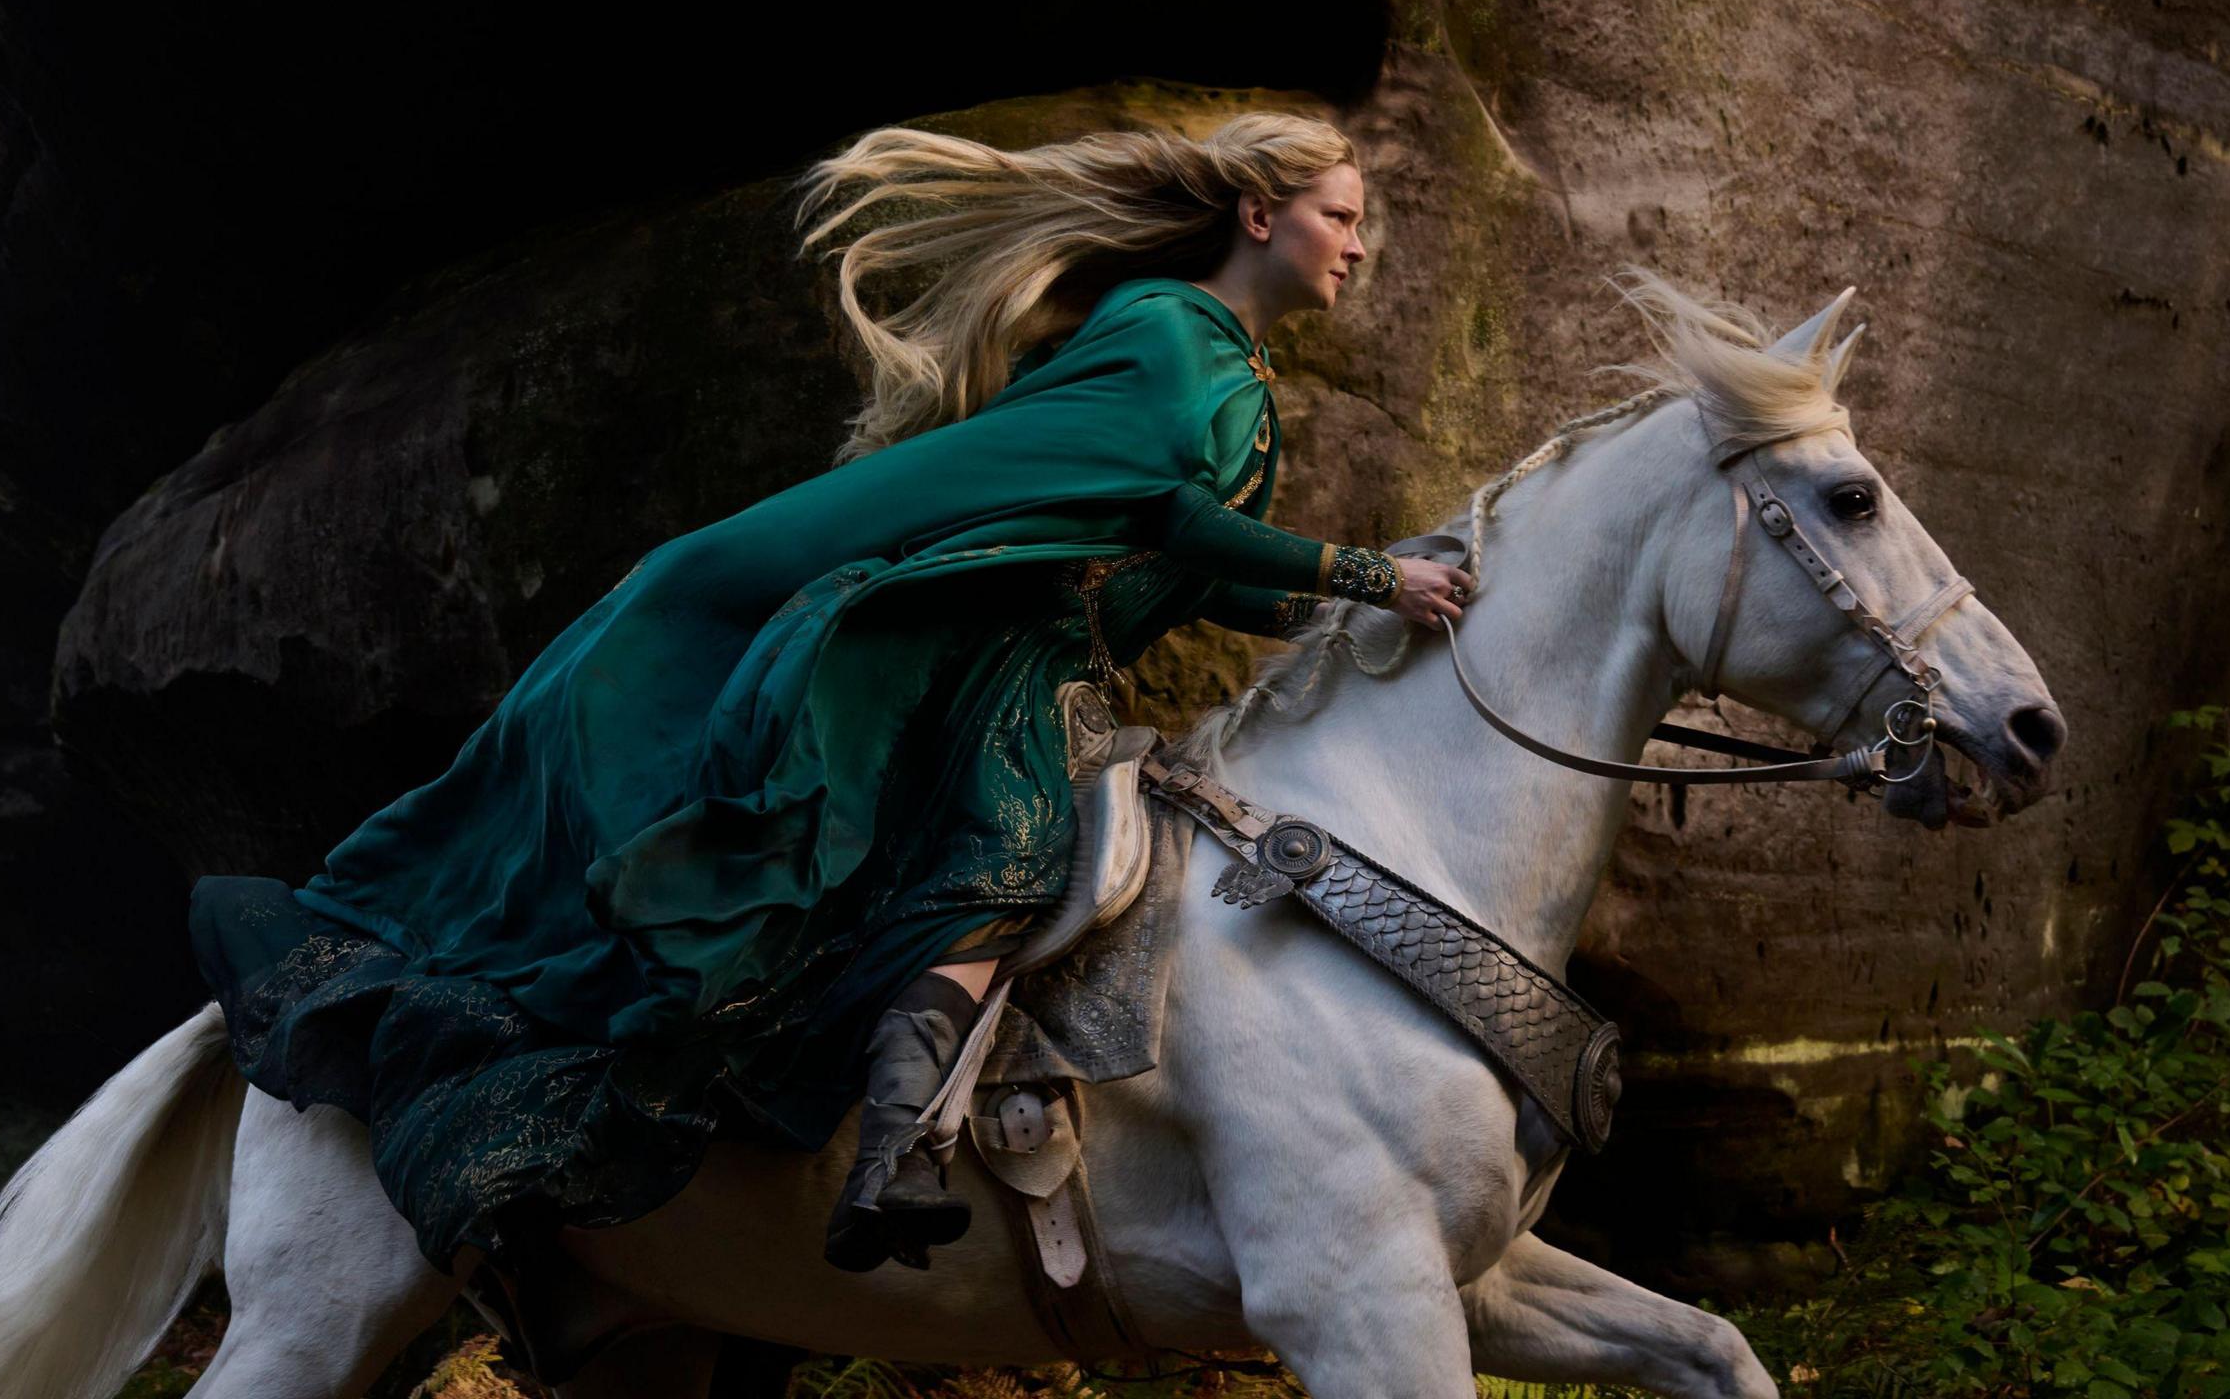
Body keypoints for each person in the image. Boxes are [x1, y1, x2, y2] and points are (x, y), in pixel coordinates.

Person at [187, 113, 1478, 1287]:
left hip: (1069, 659)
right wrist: (1363, 570)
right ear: (1262, 217)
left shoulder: (1248, 391)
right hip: (993, 655)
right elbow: (1163, 507)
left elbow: (1190, 575)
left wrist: (1357, 605)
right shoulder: (1165, 328)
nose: (1358, 248)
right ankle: (894, 1158)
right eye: (1343, 216)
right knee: (1013, 852)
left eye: (1359, 223)